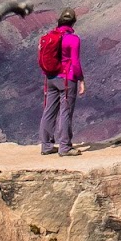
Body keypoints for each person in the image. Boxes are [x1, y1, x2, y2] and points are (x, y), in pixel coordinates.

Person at [38, 9, 85, 156]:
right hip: (66, 79)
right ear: (73, 22)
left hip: (50, 78)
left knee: (49, 111)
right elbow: (75, 63)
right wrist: (81, 79)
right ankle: (65, 147)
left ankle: (46, 146)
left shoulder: (49, 36)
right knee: (66, 112)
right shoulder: (73, 39)